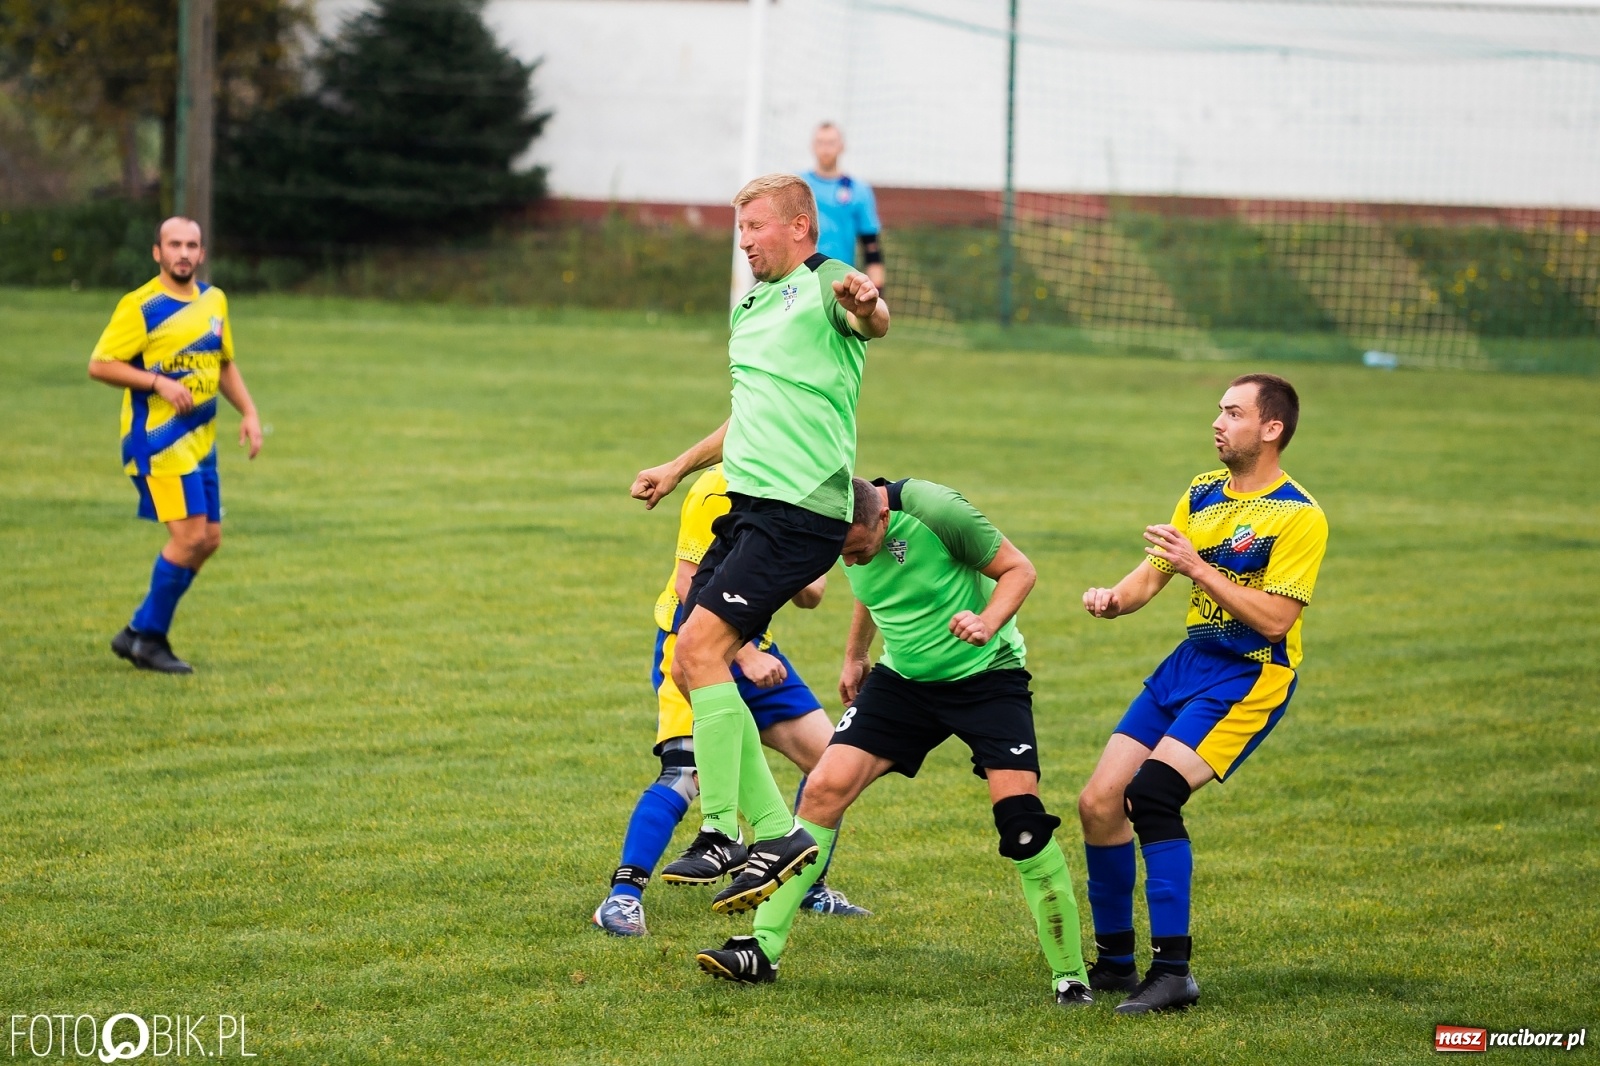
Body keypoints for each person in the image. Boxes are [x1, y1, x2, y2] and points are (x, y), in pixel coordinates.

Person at [696, 476, 1094, 1008]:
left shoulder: (936, 510)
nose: (852, 562)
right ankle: (760, 951)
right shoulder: (838, 523)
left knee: (1021, 823)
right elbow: (871, 585)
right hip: (901, 682)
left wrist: (987, 620)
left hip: (987, 677)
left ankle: (1070, 977)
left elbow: (1020, 570)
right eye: (844, 554)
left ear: (882, 519)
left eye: (858, 549)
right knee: (823, 789)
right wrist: (856, 654)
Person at [630, 174, 889, 916]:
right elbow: (746, 414)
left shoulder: (827, 282)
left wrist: (870, 307)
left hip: (800, 512)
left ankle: (725, 831)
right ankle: (771, 832)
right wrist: (677, 466)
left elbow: (872, 319)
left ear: (801, 227)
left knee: (701, 654)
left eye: (756, 228)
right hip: (749, 510)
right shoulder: (747, 309)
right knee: (689, 659)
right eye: (738, 230)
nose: (744, 242)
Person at [1076, 373, 1328, 1014]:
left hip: (1250, 672)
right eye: (1218, 410)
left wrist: (1197, 566)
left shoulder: (1300, 515)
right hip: (1188, 662)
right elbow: (1149, 575)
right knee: (1099, 801)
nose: (1217, 422)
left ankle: (1173, 972)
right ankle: (1113, 963)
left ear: (1271, 429)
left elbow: (1274, 620)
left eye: (1234, 413)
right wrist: (1113, 600)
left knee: (1153, 794)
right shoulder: (1202, 491)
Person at [592, 465, 870, 936]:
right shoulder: (714, 488)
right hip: (693, 646)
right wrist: (742, 656)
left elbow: (812, 596)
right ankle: (622, 899)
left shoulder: (802, 487)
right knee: (685, 771)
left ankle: (805, 887)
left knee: (830, 765)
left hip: (756, 646)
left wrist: (794, 539)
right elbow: (687, 585)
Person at [88, 217, 263, 674]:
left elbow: (223, 363)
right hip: (158, 444)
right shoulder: (140, 306)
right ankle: (149, 640)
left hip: (201, 443)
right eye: (174, 245)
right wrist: (157, 383)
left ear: (202, 253)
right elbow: (101, 365)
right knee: (188, 537)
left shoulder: (214, 300)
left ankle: (137, 630)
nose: (183, 253)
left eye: (192, 245)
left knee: (209, 540)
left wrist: (249, 411)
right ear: (157, 252)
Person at [803, 123, 886, 292]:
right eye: (821, 142)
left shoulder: (858, 190)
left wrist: (878, 290)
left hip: (841, 282)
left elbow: (871, 244)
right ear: (812, 146)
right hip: (801, 279)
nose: (826, 149)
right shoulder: (797, 185)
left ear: (842, 146)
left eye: (831, 143)